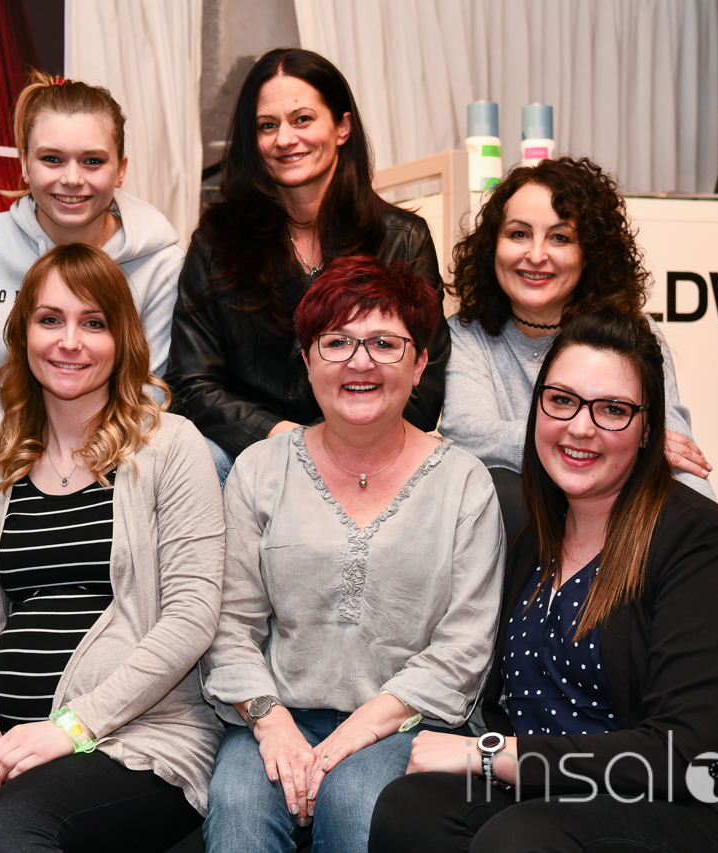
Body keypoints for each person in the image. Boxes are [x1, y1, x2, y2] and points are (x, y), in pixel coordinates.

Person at [369, 310, 718, 853]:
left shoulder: (700, 543)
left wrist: (490, 753)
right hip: (561, 800)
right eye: (562, 400)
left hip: (707, 805)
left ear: (648, 429)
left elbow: (678, 755)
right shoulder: (534, 542)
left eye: (612, 410)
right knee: (410, 810)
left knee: (522, 838)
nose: (581, 427)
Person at [0, 244, 225, 853]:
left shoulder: (171, 446)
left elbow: (192, 616)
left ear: (122, 340)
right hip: (6, 735)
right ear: (22, 335)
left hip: (136, 734)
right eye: (50, 320)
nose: (70, 342)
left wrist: (73, 728)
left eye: (93, 323)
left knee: (9, 829)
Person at [199, 256, 503, 853]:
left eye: (385, 343)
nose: (360, 362)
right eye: (337, 342)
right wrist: (272, 723)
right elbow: (229, 627)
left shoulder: (465, 482)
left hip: (409, 721)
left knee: (355, 799)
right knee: (238, 809)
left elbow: (465, 646)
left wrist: (358, 731)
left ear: (419, 365)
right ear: (307, 360)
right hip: (278, 715)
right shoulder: (260, 470)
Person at [165, 48, 450, 483]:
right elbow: (191, 382)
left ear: (342, 127)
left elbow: (423, 383)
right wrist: (283, 437)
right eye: (267, 125)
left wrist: (332, 445)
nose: (284, 139)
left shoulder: (403, 238)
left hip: (369, 451)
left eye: (302, 119)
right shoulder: (216, 242)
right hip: (250, 455)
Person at [0, 68, 184, 490]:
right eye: (52, 159)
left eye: (92, 161)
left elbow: (146, 399)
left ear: (121, 170)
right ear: (24, 164)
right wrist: (2, 486)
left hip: (108, 478)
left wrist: (79, 486)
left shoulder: (161, 263)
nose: (72, 178)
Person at [440, 157, 713, 536]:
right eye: (518, 234)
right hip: (522, 532)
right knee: (501, 486)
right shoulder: (465, 334)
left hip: (621, 533)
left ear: (589, 254)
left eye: (560, 238)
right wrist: (618, 443)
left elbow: (676, 450)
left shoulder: (633, 331)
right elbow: (468, 435)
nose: (536, 255)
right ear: (492, 246)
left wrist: (713, 535)